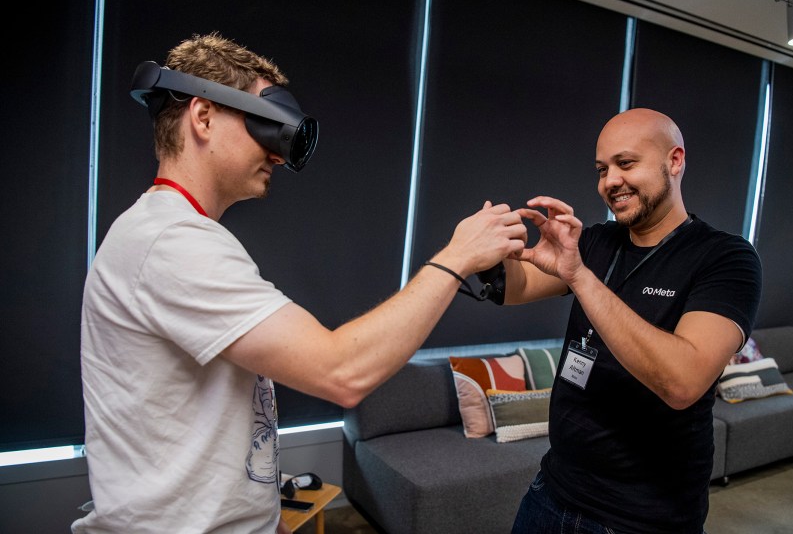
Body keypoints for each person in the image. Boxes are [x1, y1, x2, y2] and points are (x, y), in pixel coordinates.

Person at [73, 32, 527, 534]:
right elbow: (342, 371)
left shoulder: (174, 234)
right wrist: (458, 257)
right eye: (265, 127)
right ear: (202, 116)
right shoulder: (171, 242)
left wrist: (265, 512)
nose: (278, 156)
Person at [504, 108, 762, 534]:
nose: (610, 181)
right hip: (551, 493)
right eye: (602, 169)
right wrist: (490, 252)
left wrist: (580, 277)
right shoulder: (596, 241)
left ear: (674, 161)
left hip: (643, 518)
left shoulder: (725, 258)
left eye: (625, 163)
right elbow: (516, 287)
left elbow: (682, 382)